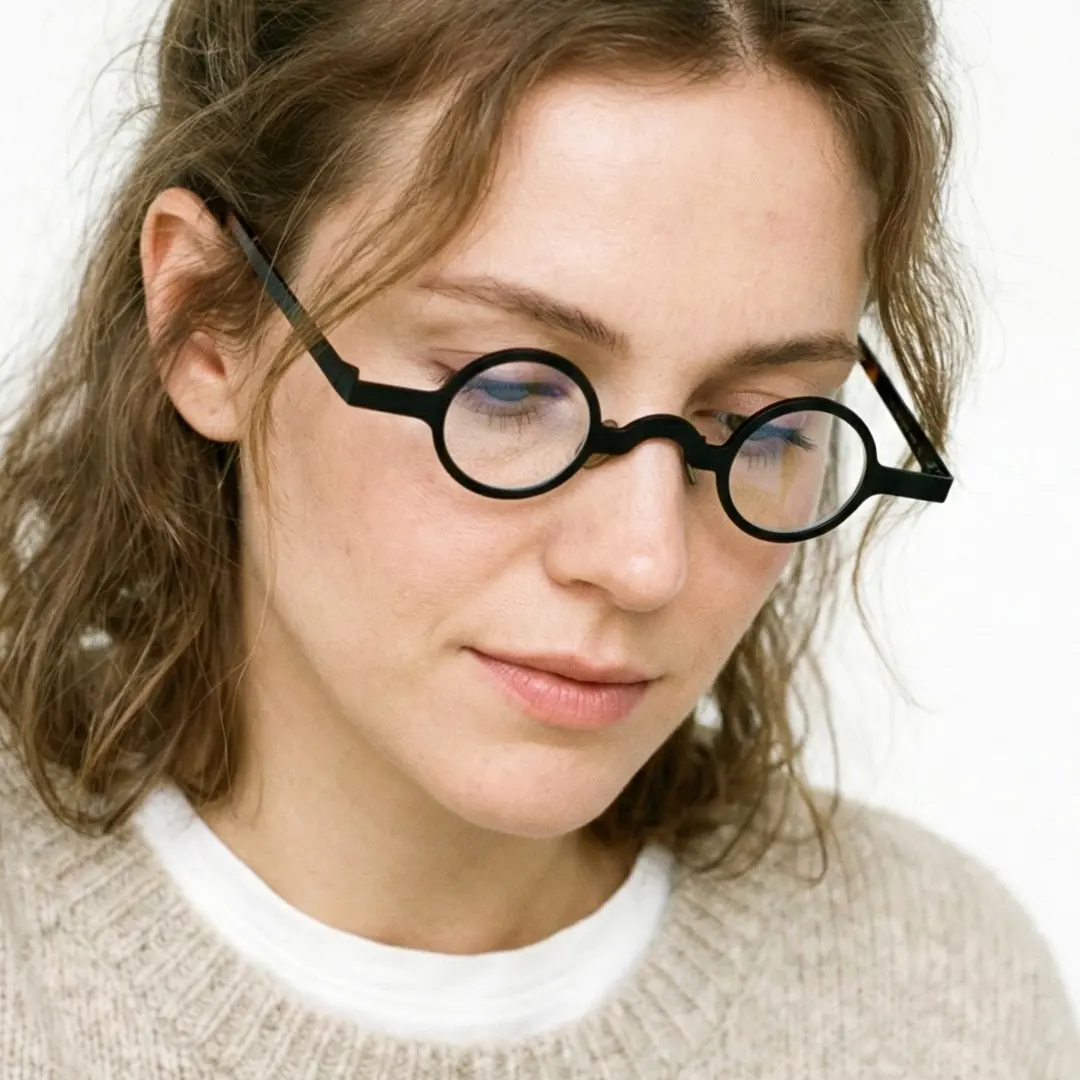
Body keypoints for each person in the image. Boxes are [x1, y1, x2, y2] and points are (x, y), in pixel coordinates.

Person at [0, 0, 1076, 1076]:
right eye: (510, 389)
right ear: (207, 323)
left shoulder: (940, 997)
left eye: (765, 426)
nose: (647, 561)